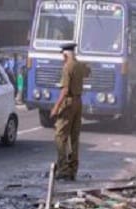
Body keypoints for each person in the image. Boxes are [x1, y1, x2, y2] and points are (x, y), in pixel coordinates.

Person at [50, 42, 90, 181]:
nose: (62, 58)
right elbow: (88, 72)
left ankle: (63, 168)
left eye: (63, 55)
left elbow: (65, 90)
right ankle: (73, 168)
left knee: (60, 136)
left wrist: (56, 107)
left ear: (66, 54)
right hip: (78, 102)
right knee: (74, 136)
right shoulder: (78, 65)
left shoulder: (67, 67)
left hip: (68, 102)